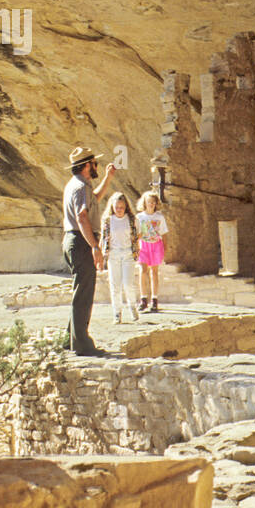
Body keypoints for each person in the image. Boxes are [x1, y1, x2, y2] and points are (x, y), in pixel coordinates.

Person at [62, 146, 116, 356]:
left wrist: (108, 179)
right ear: (86, 165)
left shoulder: (77, 185)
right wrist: (94, 246)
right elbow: (82, 217)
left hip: (73, 239)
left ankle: (70, 339)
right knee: (84, 294)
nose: (97, 167)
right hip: (81, 241)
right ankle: (82, 345)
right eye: (95, 163)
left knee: (80, 291)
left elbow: (95, 198)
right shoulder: (80, 188)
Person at [100, 191, 140, 324]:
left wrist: (135, 246)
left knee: (128, 283)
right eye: (116, 207)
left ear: (126, 207)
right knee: (115, 285)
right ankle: (117, 312)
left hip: (128, 253)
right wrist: (100, 254)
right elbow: (103, 238)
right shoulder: (108, 220)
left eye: (121, 207)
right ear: (112, 207)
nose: (119, 210)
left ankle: (132, 306)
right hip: (113, 254)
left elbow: (138, 234)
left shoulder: (132, 220)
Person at [135, 191, 169, 313]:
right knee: (142, 271)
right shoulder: (139, 217)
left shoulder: (159, 217)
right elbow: (137, 234)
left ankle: (154, 299)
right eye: (149, 202)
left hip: (156, 245)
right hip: (143, 245)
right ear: (144, 203)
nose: (151, 204)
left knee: (154, 272)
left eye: (153, 202)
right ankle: (143, 299)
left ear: (156, 203)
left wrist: (165, 248)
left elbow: (164, 233)